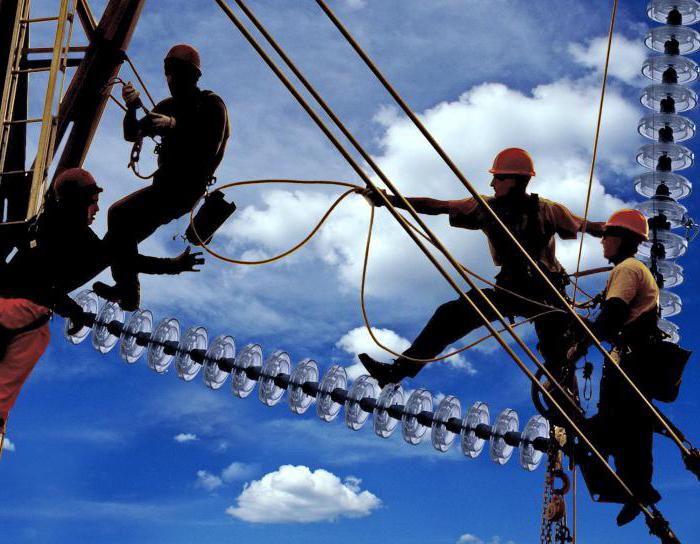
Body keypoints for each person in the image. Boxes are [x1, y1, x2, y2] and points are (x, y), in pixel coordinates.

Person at [358, 148, 606, 387]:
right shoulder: (485, 207)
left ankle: (567, 406)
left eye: (496, 178)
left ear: (513, 180)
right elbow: (437, 206)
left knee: (558, 357)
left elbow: (590, 226)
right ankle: (396, 371)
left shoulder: (548, 210)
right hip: (510, 290)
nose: (491, 184)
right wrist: (389, 200)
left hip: (548, 295)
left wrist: (623, 232)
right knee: (450, 315)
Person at [0, 168, 203, 431]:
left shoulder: (53, 226)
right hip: (15, 311)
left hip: (22, 306)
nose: (96, 209)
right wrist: (172, 266)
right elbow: (39, 284)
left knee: (115, 241)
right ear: (78, 202)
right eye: (93, 202)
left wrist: (71, 310)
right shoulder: (62, 232)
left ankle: (124, 292)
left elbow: (46, 281)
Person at [95, 44, 230, 311]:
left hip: (183, 189)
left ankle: (128, 291)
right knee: (123, 237)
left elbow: (209, 143)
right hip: (165, 186)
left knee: (119, 215)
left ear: (192, 76)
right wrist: (132, 108)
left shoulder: (211, 104)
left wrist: (174, 126)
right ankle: (127, 293)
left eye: (176, 73)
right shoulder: (167, 105)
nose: (169, 79)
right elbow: (132, 133)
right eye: (167, 73)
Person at [567, 209, 661, 527]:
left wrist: (578, 348)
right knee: (632, 431)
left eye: (606, 236)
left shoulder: (627, 269)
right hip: (638, 361)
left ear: (619, 239)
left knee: (594, 434)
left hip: (630, 364)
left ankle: (625, 487)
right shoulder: (634, 269)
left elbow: (611, 318)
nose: (602, 241)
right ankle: (637, 488)